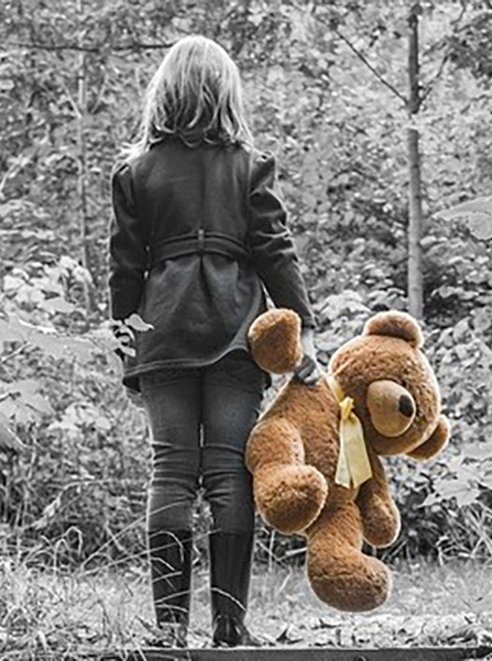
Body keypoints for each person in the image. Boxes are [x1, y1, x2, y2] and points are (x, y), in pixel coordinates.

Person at [108, 35, 319, 648]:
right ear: (226, 92)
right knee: (229, 473)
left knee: (171, 472)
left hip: (163, 331)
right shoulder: (250, 165)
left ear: (163, 93)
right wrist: (298, 330)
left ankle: (170, 632)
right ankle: (231, 627)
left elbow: (124, 269)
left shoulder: (135, 172)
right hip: (235, 333)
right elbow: (275, 251)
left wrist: (127, 347)